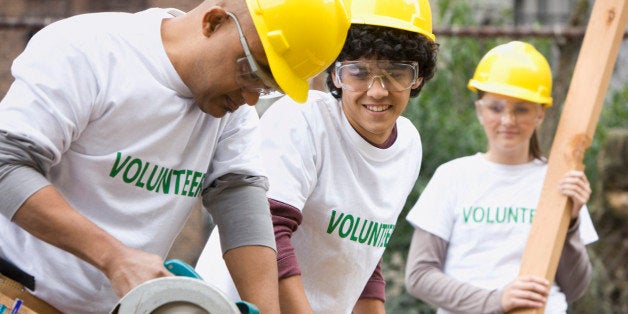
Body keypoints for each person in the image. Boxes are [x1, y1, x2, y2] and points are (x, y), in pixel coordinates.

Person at [0, 0, 351, 312]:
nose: (249, 98)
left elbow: (240, 201)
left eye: (266, 88)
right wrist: (114, 258)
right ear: (213, 22)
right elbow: (6, 163)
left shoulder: (231, 111)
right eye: (251, 72)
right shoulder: (90, 51)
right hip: (15, 293)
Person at [196, 0, 439, 313]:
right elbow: (269, 233)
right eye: (359, 72)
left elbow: (363, 257)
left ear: (418, 77)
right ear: (335, 74)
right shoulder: (303, 119)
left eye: (396, 73)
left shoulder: (407, 144)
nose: (377, 91)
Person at [404, 41, 598, 314]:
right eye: (496, 108)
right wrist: (496, 300)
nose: (508, 120)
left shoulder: (560, 181)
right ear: (480, 110)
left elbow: (575, 287)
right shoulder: (452, 177)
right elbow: (419, 276)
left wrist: (572, 222)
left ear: (540, 113)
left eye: (521, 109)